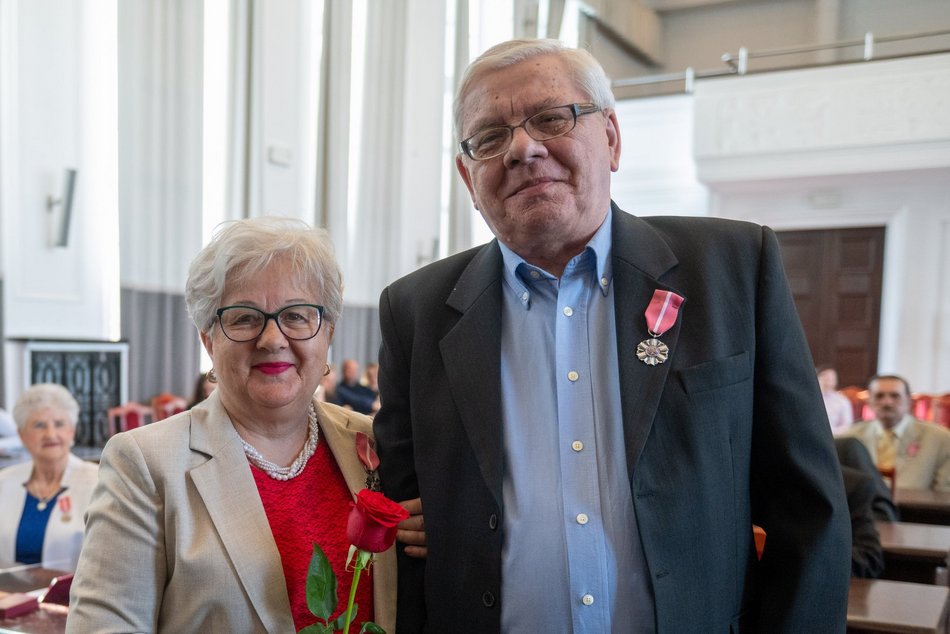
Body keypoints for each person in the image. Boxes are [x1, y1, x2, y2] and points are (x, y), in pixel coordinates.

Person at [374, 38, 851, 632]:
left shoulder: (732, 268)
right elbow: (406, 524)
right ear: (468, 176)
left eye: (552, 118)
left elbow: (809, 514)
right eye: (490, 137)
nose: (523, 148)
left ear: (612, 138)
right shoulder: (415, 311)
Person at [68, 217, 421, 632]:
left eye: (296, 316)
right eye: (243, 318)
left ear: (327, 331)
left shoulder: (371, 445)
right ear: (208, 340)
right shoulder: (145, 463)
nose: (272, 338)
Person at [0, 384, 99, 571]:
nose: (50, 434)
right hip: (7, 596)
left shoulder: (99, 483)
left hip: (72, 597)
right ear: (22, 435)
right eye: (39, 425)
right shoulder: (3, 482)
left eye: (59, 424)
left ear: (72, 431)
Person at [843, 374, 950, 491]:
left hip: (918, 508)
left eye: (895, 396)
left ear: (909, 401)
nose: (887, 402)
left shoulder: (940, 439)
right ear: (869, 401)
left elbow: (944, 493)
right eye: (879, 396)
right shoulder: (850, 438)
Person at [818, 365, 854, 434]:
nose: (827, 381)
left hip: (835, 437)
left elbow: (847, 425)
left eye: (831, 378)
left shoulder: (842, 401)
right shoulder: (809, 399)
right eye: (824, 377)